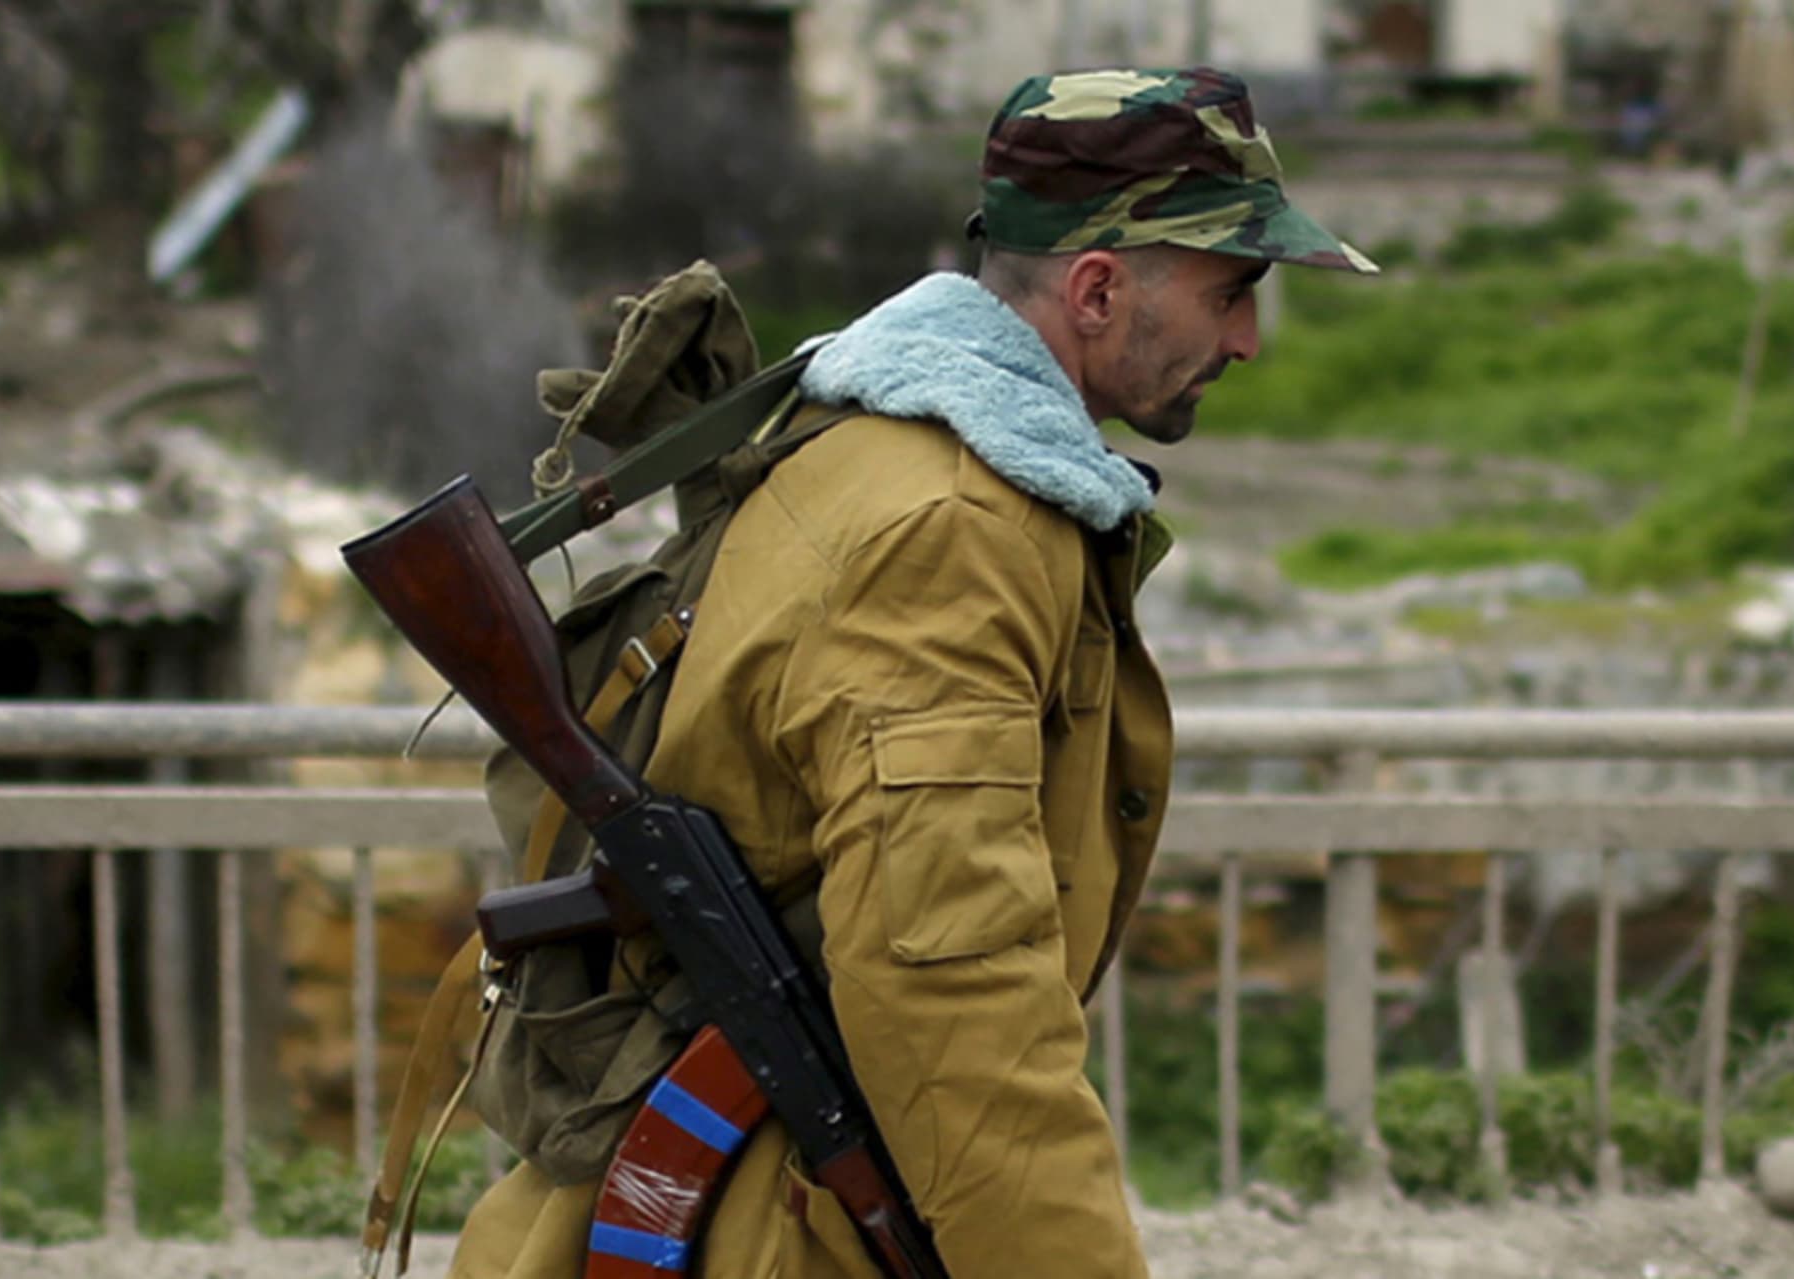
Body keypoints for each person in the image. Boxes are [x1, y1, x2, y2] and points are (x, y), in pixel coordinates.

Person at [449, 66, 1375, 1279]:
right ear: (1098, 288)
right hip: (768, 1230)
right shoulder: (954, 531)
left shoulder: (870, 445)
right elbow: (952, 982)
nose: (1248, 338)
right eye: (1232, 290)